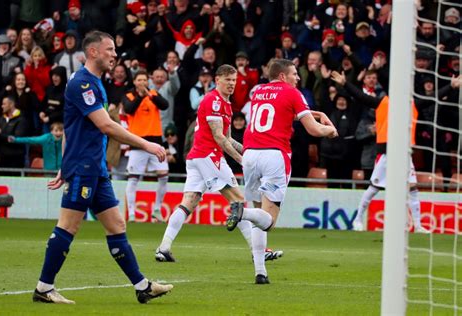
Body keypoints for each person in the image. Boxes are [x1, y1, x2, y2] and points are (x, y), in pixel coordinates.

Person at [32, 31, 172, 305]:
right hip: (84, 167)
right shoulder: (82, 84)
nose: (114, 54)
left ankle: (142, 286)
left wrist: (63, 165)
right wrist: (147, 145)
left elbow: (71, 127)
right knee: (69, 226)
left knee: (117, 224)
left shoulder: (95, 82)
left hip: (94, 167)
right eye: (109, 49)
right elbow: (105, 125)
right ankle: (44, 287)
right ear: (93, 52)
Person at [155, 64, 283, 264]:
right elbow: (218, 137)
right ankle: (258, 250)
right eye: (228, 80)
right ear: (217, 80)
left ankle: (164, 247)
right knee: (239, 201)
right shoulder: (213, 100)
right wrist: (243, 161)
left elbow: (229, 138)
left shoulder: (226, 104)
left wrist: (249, 150)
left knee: (189, 201)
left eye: (234, 80)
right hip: (208, 156)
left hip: (198, 157)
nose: (232, 84)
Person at [226, 59, 338, 284]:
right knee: (268, 220)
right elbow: (313, 130)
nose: (297, 78)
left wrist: (311, 111)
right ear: (283, 76)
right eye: (295, 74)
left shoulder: (258, 92)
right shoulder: (292, 93)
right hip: (274, 156)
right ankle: (242, 213)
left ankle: (260, 272)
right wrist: (330, 130)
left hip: (250, 155)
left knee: (259, 212)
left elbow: (280, 112)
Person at [330, 70, 430, 233]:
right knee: (374, 188)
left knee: (413, 187)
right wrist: (345, 83)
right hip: (387, 154)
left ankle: (418, 225)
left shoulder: (413, 104)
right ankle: (357, 219)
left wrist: (451, 87)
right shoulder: (384, 103)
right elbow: (362, 97)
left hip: (405, 154)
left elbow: (432, 99)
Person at [122, 70, 169, 222]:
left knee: (163, 175)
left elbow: (165, 105)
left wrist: (151, 95)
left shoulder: (153, 93)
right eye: (139, 80)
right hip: (138, 143)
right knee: (133, 178)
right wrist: (141, 96)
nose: (142, 83)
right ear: (134, 82)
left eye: (144, 80)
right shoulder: (129, 96)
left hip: (155, 142)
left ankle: (157, 209)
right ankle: (132, 213)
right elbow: (129, 109)